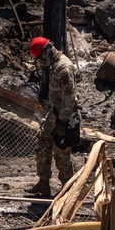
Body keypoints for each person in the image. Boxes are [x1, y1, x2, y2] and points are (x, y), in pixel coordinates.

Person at [24, 37, 79, 195]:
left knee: (62, 152)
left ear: (47, 50)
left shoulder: (63, 67)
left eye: (41, 57)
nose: (41, 62)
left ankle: (68, 189)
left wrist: (63, 120)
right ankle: (43, 183)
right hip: (55, 113)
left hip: (64, 116)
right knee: (43, 143)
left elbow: (70, 96)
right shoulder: (55, 65)